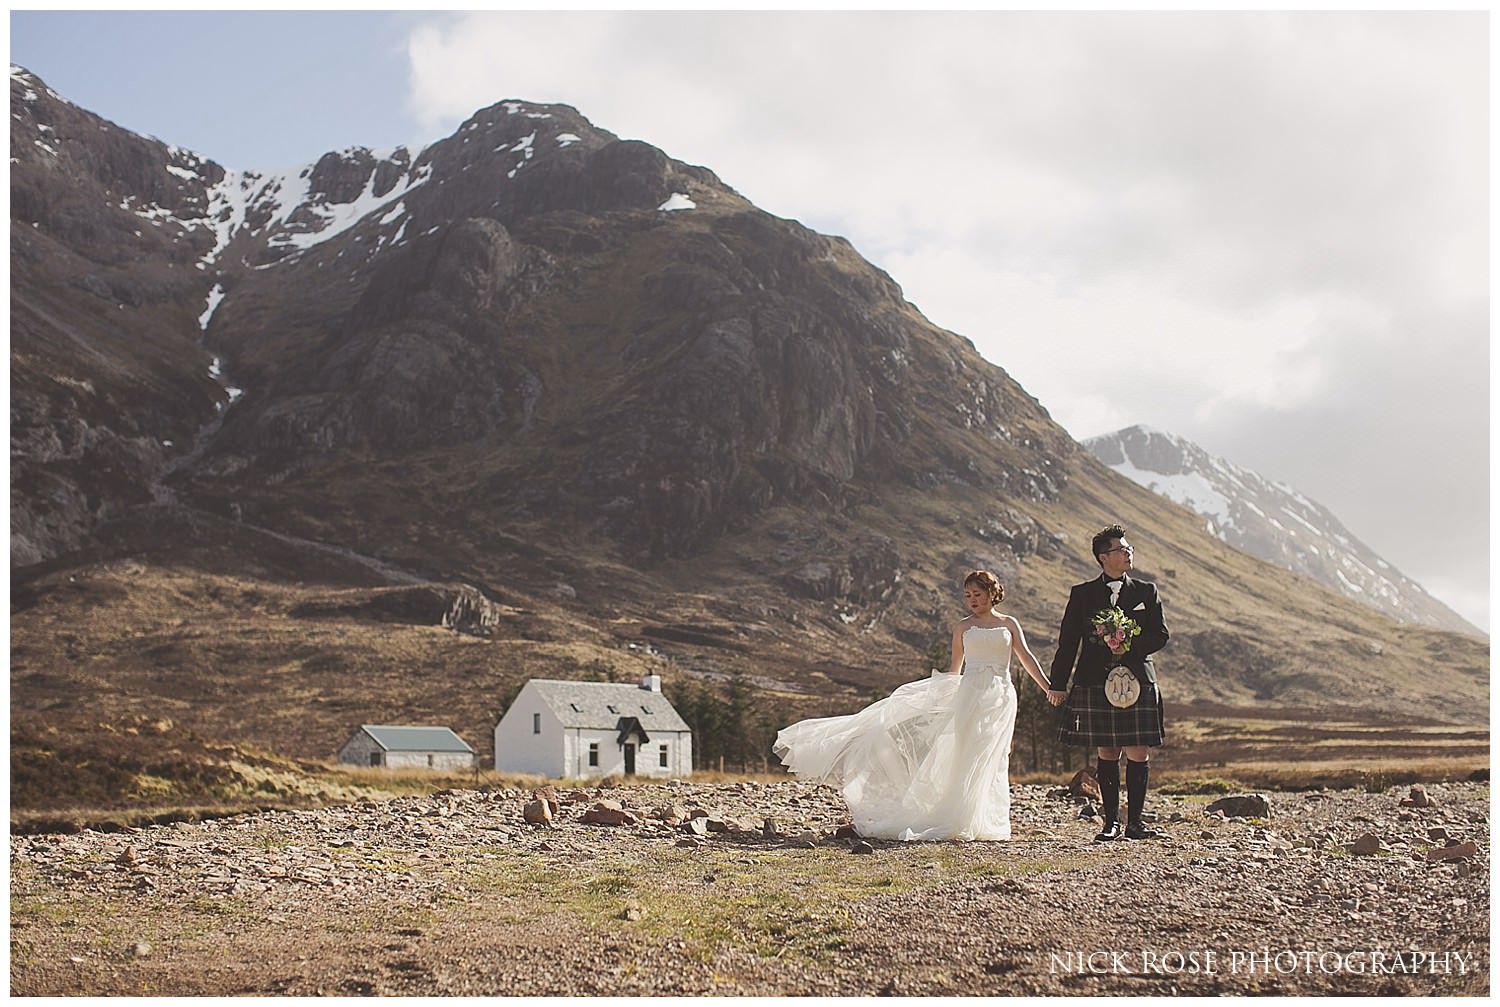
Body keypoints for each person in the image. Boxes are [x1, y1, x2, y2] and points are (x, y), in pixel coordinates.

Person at [773, 570, 1055, 841]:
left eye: (978, 594)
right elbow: (954, 670)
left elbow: (1026, 658)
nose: (972, 599)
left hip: (1002, 696)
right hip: (970, 695)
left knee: (994, 756)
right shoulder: (963, 627)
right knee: (967, 753)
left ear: (992, 593)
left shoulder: (1009, 624)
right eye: (967, 595)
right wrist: (939, 700)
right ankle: (961, 818)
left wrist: (1048, 688)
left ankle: (987, 820)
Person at [1048, 524, 1171, 841]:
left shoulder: (1146, 592)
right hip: (1095, 679)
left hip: (1138, 679)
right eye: (1121, 549)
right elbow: (1068, 642)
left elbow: (1160, 634)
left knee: (1139, 750)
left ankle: (1135, 823)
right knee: (1108, 750)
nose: (1128, 552)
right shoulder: (1083, 594)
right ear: (1104, 557)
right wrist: (1058, 684)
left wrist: (1129, 644)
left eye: (1129, 548)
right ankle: (1110, 823)